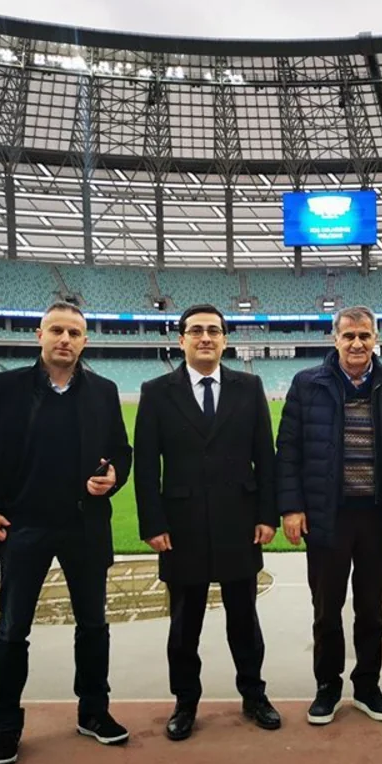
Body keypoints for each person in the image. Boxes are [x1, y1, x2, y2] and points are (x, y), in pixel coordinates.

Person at [0, 301, 133, 764]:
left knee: (94, 626)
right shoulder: (3, 387)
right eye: (57, 330)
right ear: (39, 335)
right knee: (12, 631)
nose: (65, 340)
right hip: (23, 527)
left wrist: (113, 475)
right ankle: (6, 727)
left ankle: (93, 712)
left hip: (84, 525)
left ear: (85, 341)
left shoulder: (103, 391)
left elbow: (121, 451)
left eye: (74, 333)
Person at [133, 303, 281, 741]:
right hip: (181, 527)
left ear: (225, 339)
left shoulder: (249, 387)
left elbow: (265, 457)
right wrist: (152, 523)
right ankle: (185, 702)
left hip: (239, 521)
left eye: (214, 331)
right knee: (184, 626)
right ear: (181, 340)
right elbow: (145, 465)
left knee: (245, 621)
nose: (205, 338)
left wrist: (266, 515)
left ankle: (254, 695)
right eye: (196, 331)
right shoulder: (157, 391)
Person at [275, 305, 382, 726]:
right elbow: (289, 451)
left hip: (375, 516)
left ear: (376, 340)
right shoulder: (307, 384)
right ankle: (328, 687)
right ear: (335, 340)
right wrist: (292, 507)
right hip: (326, 516)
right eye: (349, 336)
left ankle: (367, 686)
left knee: (371, 609)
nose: (357, 343)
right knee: (326, 609)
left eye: (364, 336)